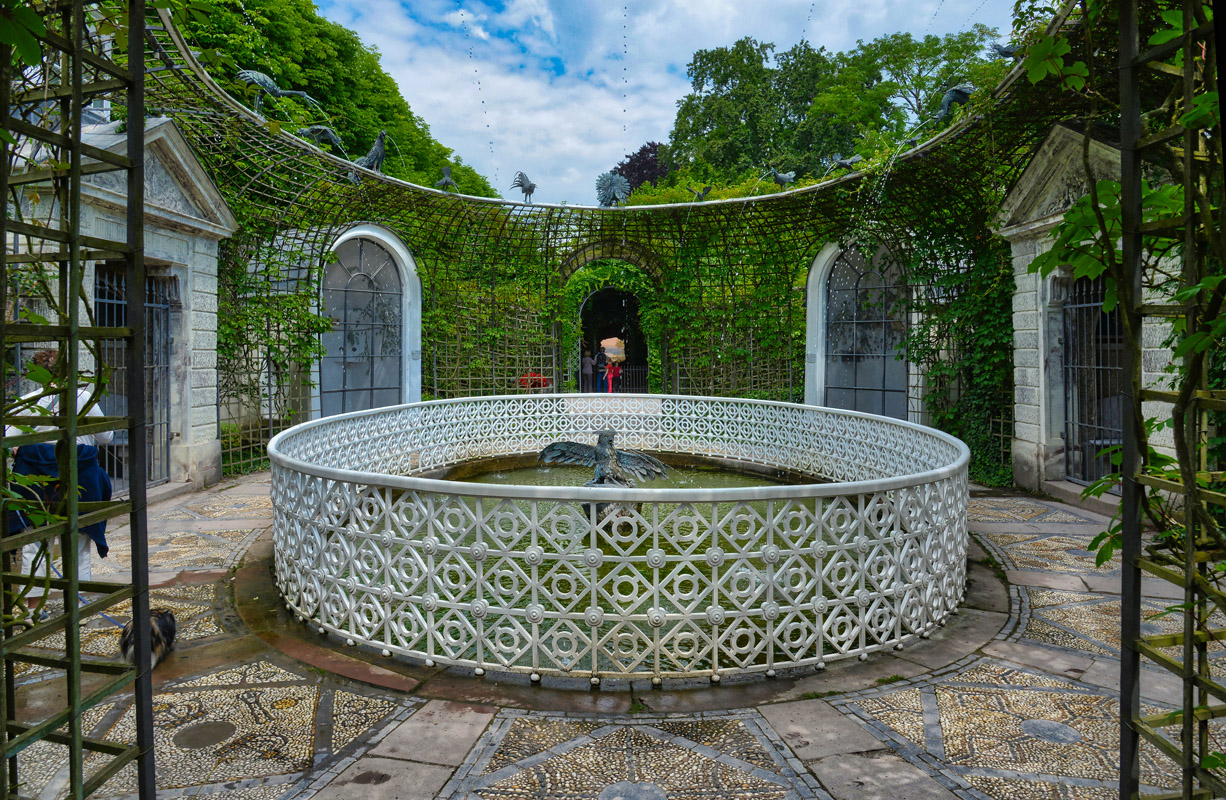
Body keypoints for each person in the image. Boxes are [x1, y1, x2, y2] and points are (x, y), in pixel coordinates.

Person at [5, 349, 113, 602]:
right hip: (80, 480)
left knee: (36, 544)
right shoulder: (84, 398)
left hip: (39, 485)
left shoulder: (31, 399)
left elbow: (8, 441)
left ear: (39, 374)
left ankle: (33, 609)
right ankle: (79, 605)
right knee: (79, 543)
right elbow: (107, 437)